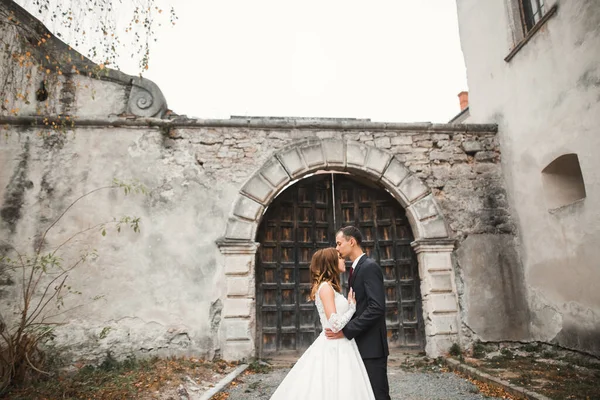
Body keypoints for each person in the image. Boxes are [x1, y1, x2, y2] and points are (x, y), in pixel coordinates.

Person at [270, 248, 375, 400]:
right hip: (333, 345)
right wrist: (352, 308)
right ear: (330, 262)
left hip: (342, 344)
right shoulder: (325, 288)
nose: (343, 259)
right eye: (339, 257)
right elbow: (334, 324)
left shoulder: (330, 287)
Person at [326, 226, 391, 400]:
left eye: (339, 244)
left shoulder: (369, 267)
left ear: (352, 241)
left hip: (372, 347)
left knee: (378, 395)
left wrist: (346, 330)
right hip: (360, 344)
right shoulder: (355, 269)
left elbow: (376, 307)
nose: (337, 249)